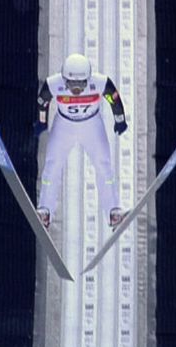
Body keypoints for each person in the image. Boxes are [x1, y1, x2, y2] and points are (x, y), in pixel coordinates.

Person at [34, 53, 128, 229]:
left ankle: (113, 211)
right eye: (71, 84)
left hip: (91, 124)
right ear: (64, 79)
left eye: (81, 84)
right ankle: (45, 210)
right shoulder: (54, 83)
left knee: (104, 164)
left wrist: (120, 119)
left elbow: (113, 99)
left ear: (89, 78)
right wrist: (41, 122)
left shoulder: (99, 82)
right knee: (52, 165)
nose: (76, 89)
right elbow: (43, 102)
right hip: (64, 125)